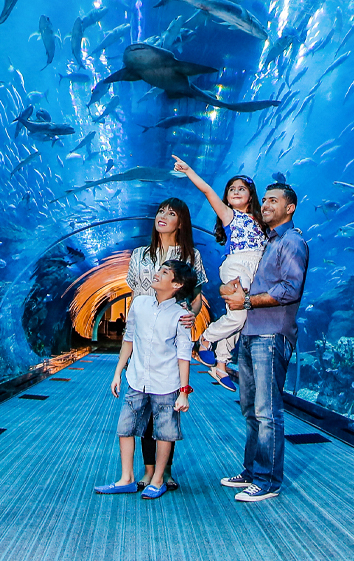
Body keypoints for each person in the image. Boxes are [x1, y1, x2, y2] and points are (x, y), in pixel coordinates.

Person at [220, 182, 306, 503]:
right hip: (252, 332)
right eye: (265, 199)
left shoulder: (292, 242)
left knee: (267, 410)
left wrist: (247, 302)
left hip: (271, 334)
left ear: (290, 208)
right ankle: (252, 470)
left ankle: (269, 480)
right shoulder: (266, 242)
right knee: (251, 409)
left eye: (274, 200)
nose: (266, 204)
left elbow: (289, 289)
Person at [124, 198, 208, 492]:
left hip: (171, 335)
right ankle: (148, 470)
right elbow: (135, 292)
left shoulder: (191, 255)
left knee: (166, 405)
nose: (163, 216)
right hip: (144, 330)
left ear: (181, 222)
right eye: (161, 211)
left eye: (171, 213)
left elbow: (196, 296)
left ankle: (165, 469)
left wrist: (191, 316)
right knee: (142, 402)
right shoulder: (139, 255)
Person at [96, 258, 198, 500]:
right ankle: (126, 478)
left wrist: (183, 391)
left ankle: (158, 479)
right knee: (125, 428)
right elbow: (128, 339)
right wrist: (118, 371)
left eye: (164, 273)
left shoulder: (180, 316)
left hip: (167, 383)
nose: (157, 274)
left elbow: (184, 355)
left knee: (164, 432)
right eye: (159, 270)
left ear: (176, 284)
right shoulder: (139, 304)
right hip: (136, 378)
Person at [171, 156, 267, 390]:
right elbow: (207, 191)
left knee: (240, 321)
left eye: (241, 189)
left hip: (256, 268)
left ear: (250, 195)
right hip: (238, 266)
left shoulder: (260, 220)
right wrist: (189, 170)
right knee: (238, 316)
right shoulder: (229, 215)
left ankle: (221, 364)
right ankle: (205, 339)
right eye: (231, 189)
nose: (235, 192)